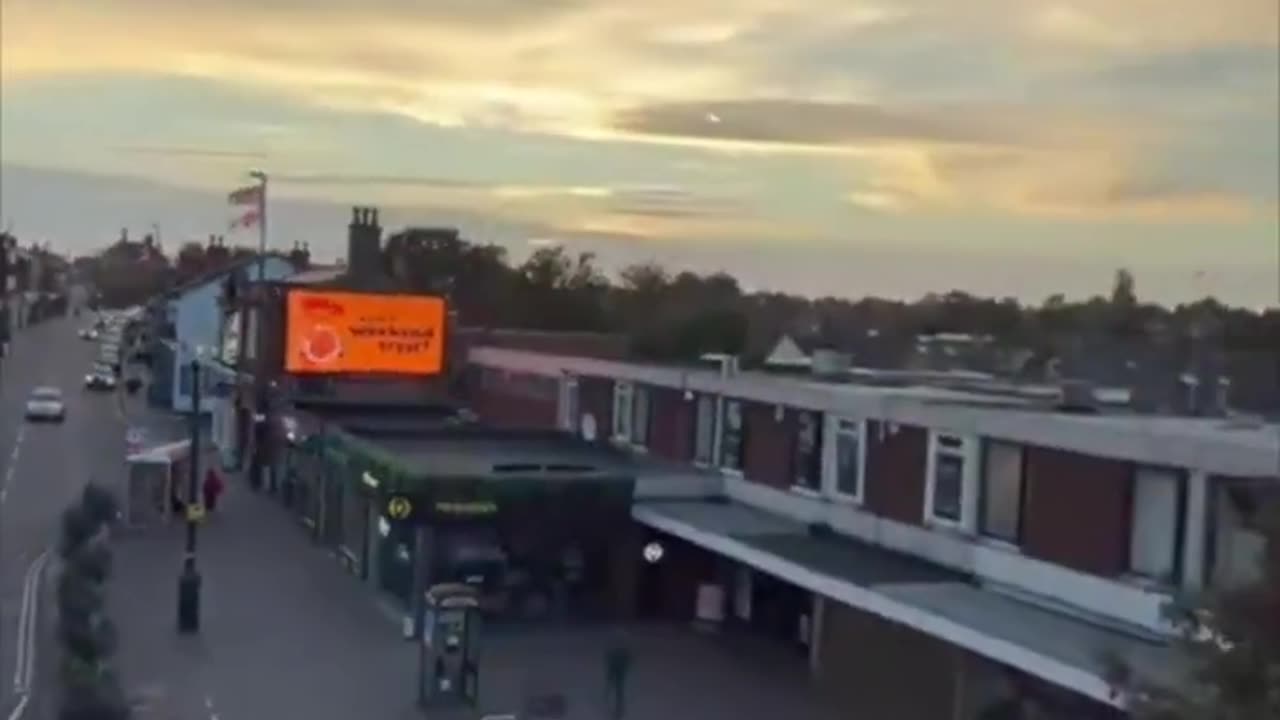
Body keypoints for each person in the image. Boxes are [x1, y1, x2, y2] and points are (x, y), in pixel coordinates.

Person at [603, 631, 632, 719]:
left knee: (618, 691)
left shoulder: (622, 652)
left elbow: (627, 662)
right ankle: (611, 703)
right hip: (616, 672)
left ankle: (618, 708)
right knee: (615, 689)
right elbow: (610, 662)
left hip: (619, 673)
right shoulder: (615, 652)